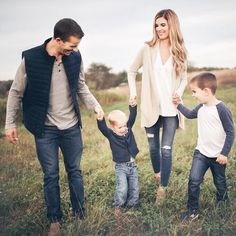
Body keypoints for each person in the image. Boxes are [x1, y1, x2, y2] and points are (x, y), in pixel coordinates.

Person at [5, 18, 104, 235]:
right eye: (72, 45)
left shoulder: (75, 57)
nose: (75, 50)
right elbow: (15, 92)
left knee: (74, 171)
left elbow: (81, 86)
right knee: (50, 174)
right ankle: (54, 219)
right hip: (45, 129)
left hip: (70, 127)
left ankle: (79, 213)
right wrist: (10, 123)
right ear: (58, 40)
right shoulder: (30, 58)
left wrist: (95, 106)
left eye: (77, 46)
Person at [127, 9, 188, 205]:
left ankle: (162, 189)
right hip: (151, 107)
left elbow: (184, 79)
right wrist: (133, 92)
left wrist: (179, 91)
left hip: (171, 109)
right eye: (156, 25)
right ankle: (157, 173)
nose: (159, 28)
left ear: (172, 25)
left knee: (166, 150)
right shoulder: (147, 48)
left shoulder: (179, 50)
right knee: (153, 148)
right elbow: (131, 70)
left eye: (163, 24)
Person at [173, 72, 235, 222]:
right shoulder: (201, 107)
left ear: (206, 91)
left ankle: (223, 204)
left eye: (194, 91)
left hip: (218, 156)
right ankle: (192, 210)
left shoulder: (221, 109)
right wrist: (178, 105)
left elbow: (230, 132)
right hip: (201, 153)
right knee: (194, 180)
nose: (193, 95)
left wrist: (224, 153)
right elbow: (188, 114)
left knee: (219, 181)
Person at [97, 103, 139, 213]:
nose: (124, 128)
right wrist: (101, 120)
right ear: (112, 127)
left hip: (132, 166)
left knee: (134, 187)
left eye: (125, 125)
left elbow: (132, 118)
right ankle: (118, 206)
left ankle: (132, 205)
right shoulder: (111, 134)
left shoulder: (128, 129)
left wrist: (133, 107)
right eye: (120, 127)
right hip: (121, 167)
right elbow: (102, 129)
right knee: (122, 188)